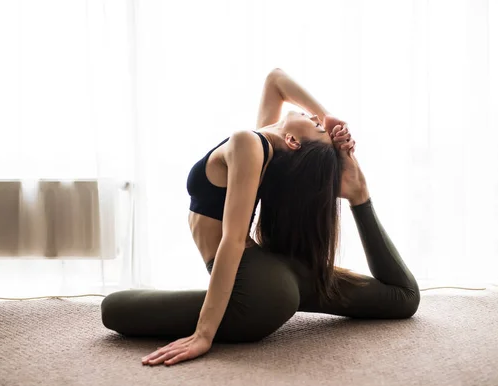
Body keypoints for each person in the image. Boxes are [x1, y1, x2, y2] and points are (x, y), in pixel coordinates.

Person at [101, 68, 420, 366]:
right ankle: (360, 198)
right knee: (401, 299)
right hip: (277, 278)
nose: (314, 117)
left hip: (259, 296)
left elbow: (233, 241)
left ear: (293, 142)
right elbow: (276, 80)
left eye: (317, 125)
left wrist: (204, 334)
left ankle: (359, 193)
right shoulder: (263, 146)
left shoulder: (248, 143)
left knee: (113, 307)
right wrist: (331, 124)